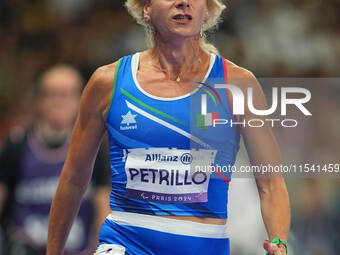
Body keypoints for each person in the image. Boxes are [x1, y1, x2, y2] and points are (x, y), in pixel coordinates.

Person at [47, 1, 290, 255]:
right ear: (146, 10)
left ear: (206, 10)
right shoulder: (108, 82)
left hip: (204, 245)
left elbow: (271, 183)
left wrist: (278, 242)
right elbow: (74, 179)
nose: (183, 2)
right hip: (125, 241)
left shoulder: (238, 84)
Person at [0, 64, 111, 255]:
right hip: (24, 247)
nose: (60, 101)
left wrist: (102, 246)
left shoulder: (95, 147)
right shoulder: (17, 144)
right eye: (53, 94)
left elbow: (103, 203)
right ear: (39, 99)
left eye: (68, 94)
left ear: (81, 99)